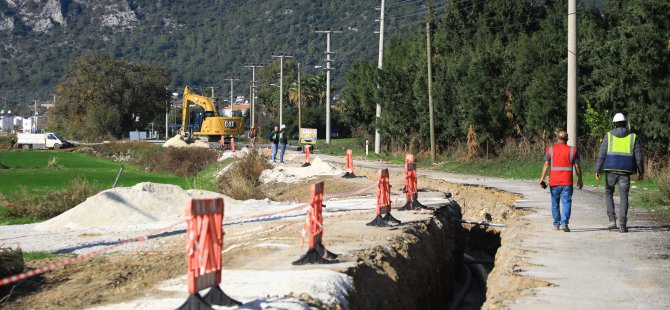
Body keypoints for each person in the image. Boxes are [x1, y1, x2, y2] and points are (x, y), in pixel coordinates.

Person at [594, 113, 644, 233]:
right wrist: (641, 171)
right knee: (624, 196)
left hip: (610, 170)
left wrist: (597, 169)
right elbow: (639, 157)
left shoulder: (609, 136)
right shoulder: (633, 136)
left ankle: (612, 220)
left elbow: (602, 154)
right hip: (625, 171)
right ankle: (623, 224)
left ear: (614, 124)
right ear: (625, 123)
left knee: (608, 193)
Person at [540, 131, 583, 232]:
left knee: (555, 203)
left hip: (554, 182)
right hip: (567, 182)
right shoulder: (573, 151)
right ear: (567, 139)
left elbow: (546, 164)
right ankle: (564, 224)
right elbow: (577, 166)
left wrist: (542, 178)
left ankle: (556, 224)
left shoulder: (550, 150)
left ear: (557, 138)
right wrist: (580, 179)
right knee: (566, 202)